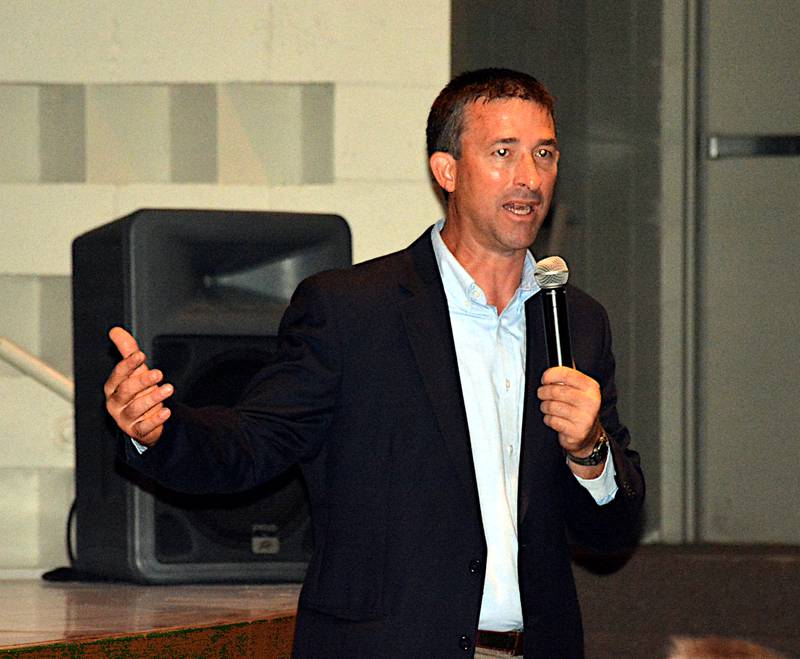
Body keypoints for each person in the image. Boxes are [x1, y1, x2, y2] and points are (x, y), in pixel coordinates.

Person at [104, 68, 644, 658]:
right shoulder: (353, 310)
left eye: (544, 154)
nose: (529, 177)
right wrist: (161, 431)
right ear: (447, 170)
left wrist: (589, 450)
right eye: (502, 152)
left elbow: (612, 534)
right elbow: (257, 441)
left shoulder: (575, 322)